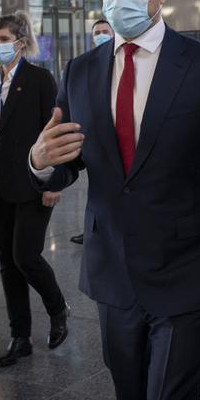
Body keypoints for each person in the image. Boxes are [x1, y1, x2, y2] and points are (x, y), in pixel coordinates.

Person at [28, 0, 200, 400]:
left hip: (186, 273)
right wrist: (40, 161)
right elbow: (70, 161)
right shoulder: (81, 71)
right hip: (112, 272)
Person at [0, 11, 70, 368]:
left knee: (26, 256)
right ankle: (20, 335)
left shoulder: (39, 79)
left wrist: (54, 181)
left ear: (21, 42)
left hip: (33, 179)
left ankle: (58, 309)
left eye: (4, 39)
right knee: (8, 263)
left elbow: (55, 129)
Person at [70, 18, 115, 245]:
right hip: (93, 141)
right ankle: (91, 227)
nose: (100, 35)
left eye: (105, 31)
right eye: (97, 32)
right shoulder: (83, 67)